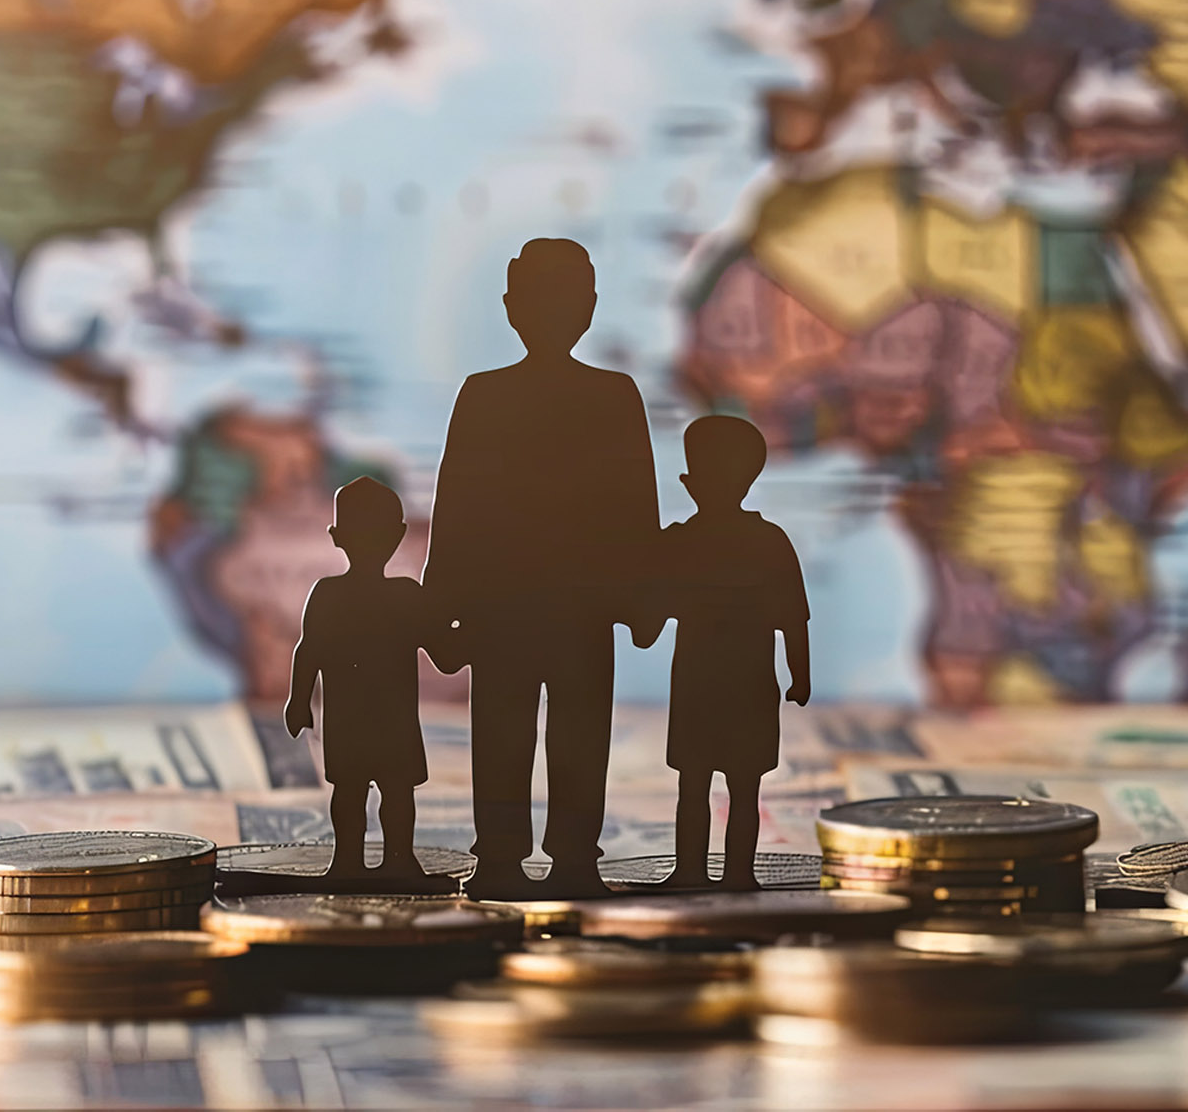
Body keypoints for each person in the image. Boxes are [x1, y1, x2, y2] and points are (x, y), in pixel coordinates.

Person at [424, 239, 659, 900]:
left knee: (529, 730)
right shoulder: (609, 395)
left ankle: (536, 855)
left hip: (526, 607)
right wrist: (640, 596)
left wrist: (442, 603)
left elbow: (457, 508)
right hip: (560, 606)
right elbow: (458, 506)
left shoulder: (490, 395)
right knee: (550, 730)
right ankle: (540, 855)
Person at [650, 415, 810, 891]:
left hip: (701, 683)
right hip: (748, 684)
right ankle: (734, 873)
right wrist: (798, 676)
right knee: (741, 790)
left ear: (688, 483)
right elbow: (793, 621)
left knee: (696, 787)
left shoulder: (679, 542)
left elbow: (649, 608)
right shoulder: (770, 542)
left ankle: (695, 872)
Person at [285, 476, 456, 877]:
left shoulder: (329, 594)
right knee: (388, 792)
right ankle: (378, 860)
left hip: (353, 722)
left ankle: (369, 860)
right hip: (388, 721)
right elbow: (446, 654)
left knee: (358, 792)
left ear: (336, 536)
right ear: (397, 535)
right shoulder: (406, 597)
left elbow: (307, 651)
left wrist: (299, 700)